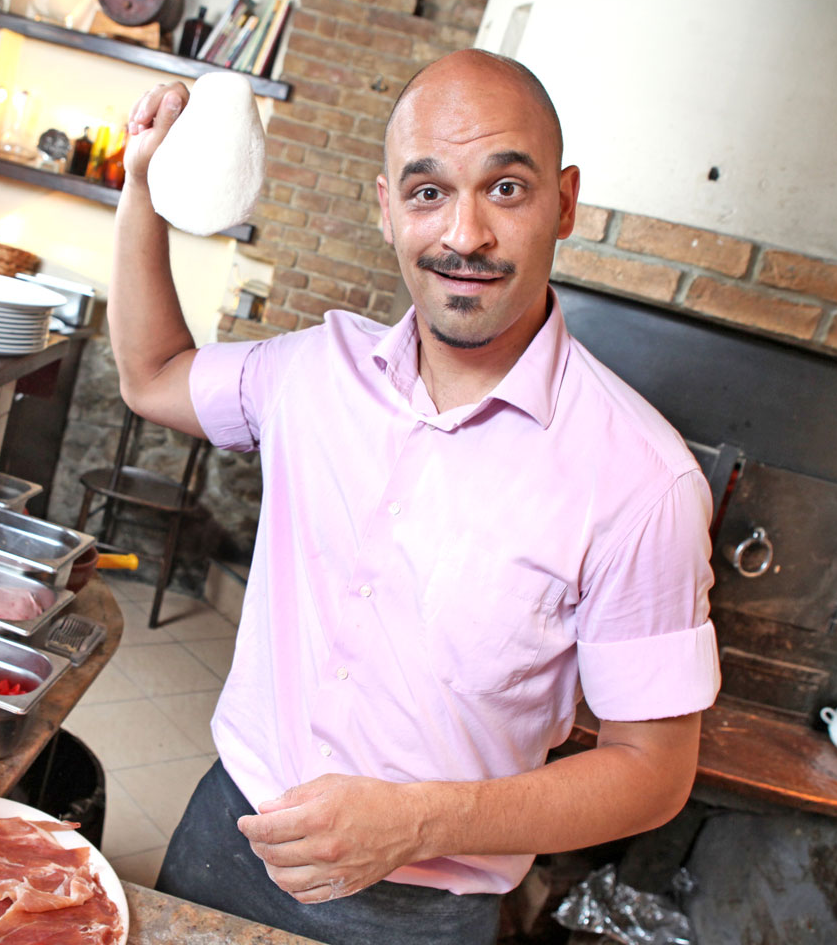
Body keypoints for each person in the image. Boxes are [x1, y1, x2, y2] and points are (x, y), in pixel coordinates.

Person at [107, 49, 720, 945]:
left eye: (505, 189)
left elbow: (653, 773)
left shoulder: (644, 480)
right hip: (225, 836)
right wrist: (138, 185)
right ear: (387, 208)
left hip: (421, 914)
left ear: (565, 202)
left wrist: (419, 823)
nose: (465, 235)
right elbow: (153, 374)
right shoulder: (313, 372)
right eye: (429, 192)